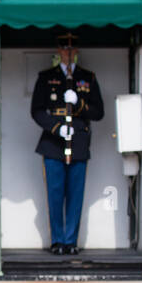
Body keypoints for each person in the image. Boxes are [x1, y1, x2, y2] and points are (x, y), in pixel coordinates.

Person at [31, 32, 105, 255]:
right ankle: (57, 240)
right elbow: (36, 110)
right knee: (54, 193)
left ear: (77, 52)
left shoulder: (87, 78)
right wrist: (56, 127)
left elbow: (99, 112)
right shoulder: (46, 77)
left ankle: (71, 240)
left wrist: (80, 104)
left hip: (79, 142)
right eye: (65, 48)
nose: (68, 53)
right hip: (54, 143)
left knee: (75, 194)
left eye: (72, 49)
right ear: (59, 51)